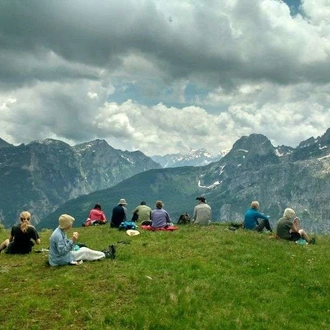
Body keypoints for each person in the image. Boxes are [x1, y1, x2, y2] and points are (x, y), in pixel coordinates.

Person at [49, 214, 115, 266]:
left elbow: (64, 244)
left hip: (58, 258)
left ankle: (101, 253)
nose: (71, 225)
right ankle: (105, 255)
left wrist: (71, 241)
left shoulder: (60, 231)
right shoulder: (58, 235)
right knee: (85, 252)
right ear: (67, 224)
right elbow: (62, 252)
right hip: (59, 260)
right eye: (70, 223)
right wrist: (72, 240)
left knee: (83, 248)